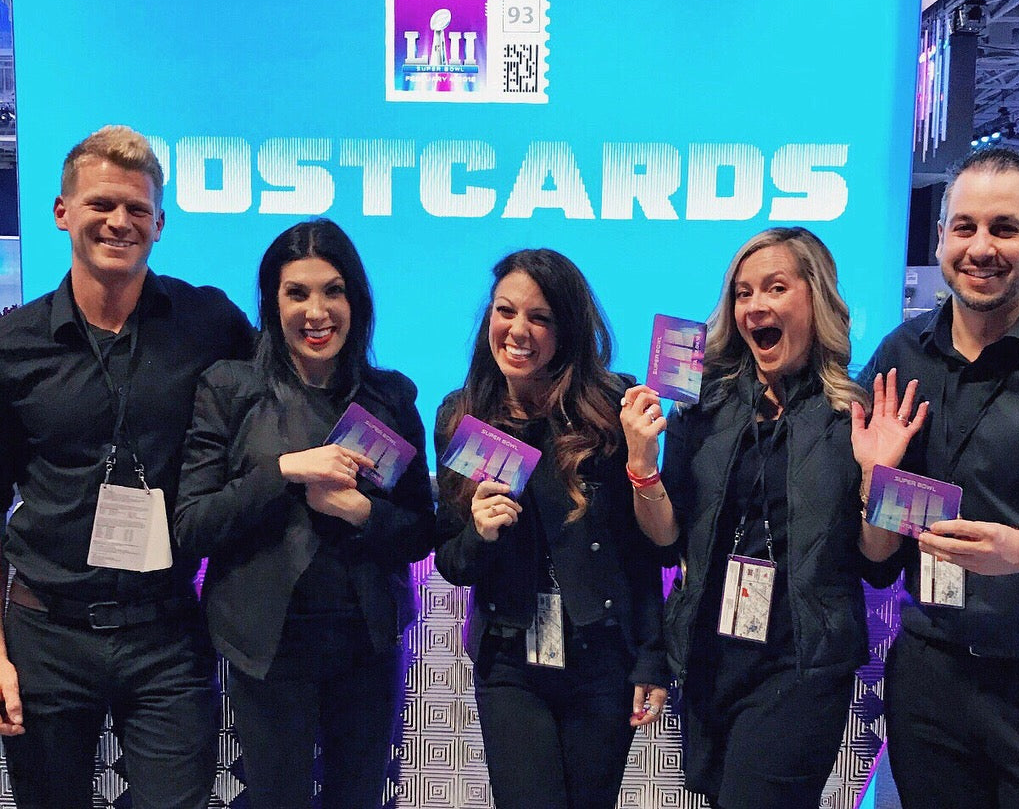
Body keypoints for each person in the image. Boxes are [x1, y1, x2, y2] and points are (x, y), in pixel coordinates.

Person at [620, 226, 924, 809]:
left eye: (775, 287)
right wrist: (641, 465)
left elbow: (879, 563)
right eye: (742, 293)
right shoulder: (702, 407)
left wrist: (875, 474)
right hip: (710, 659)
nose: (755, 305)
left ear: (816, 299)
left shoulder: (853, 414)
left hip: (801, 667)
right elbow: (665, 541)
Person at [0, 125, 252, 809]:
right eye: (102, 204)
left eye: (138, 209)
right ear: (62, 212)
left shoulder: (207, 320)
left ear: (160, 223)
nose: (120, 221)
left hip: (166, 630)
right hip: (44, 631)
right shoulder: (14, 347)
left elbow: (283, 395)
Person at [174, 219, 435, 809]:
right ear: (272, 302)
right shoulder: (228, 388)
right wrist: (286, 472)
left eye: (333, 290)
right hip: (265, 646)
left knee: (360, 797)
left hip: (367, 643)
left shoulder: (392, 396)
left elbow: (420, 532)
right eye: (297, 293)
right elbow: (192, 525)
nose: (317, 312)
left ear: (356, 300)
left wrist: (361, 510)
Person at [861, 146, 1019, 809]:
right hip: (930, 671)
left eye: (1005, 229)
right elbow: (876, 555)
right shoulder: (900, 356)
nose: (981, 247)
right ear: (941, 237)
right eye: (965, 227)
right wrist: (875, 482)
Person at [434, 248, 668, 809]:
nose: (518, 330)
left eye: (539, 317)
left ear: (566, 328)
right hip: (511, 659)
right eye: (505, 312)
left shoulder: (612, 408)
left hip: (602, 656)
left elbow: (645, 553)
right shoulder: (462, 416)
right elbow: (452, 562)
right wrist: (479, 533)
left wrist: (652, 655)